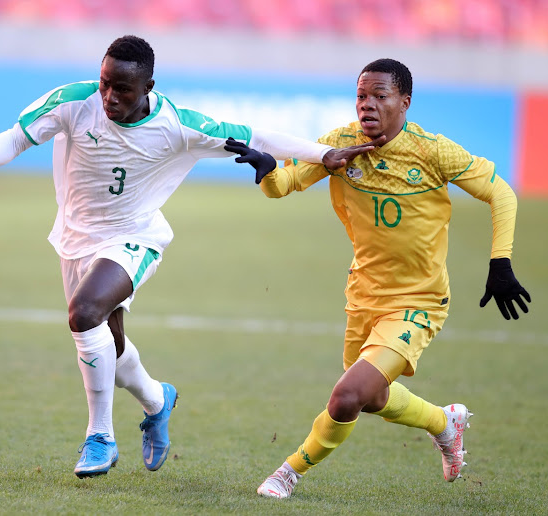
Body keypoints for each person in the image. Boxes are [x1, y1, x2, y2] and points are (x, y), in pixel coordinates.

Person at [0, 35, 379, 479]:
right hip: (74, 238)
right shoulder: (73, 102)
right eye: (105, 83)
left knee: (84, 313)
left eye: (123, 89)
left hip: (135, 237)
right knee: (107, 347)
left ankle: (100, 437)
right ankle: (156, 400)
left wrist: (324, 154)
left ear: (148, 85)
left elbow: (256, 135)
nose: (109, 96)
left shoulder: (179, 125)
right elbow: (15, 138)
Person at [224, 58, 531, 498]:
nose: (367, 106)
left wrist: (500, 262)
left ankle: (287, 473)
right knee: (370, 397)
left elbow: (500, 192)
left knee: (347, 396)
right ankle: (445, 423)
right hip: (363, 295)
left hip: (419, 301)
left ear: (403, 102)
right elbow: (284, 184)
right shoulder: (340, 144)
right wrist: (268, 169)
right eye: (361, 96)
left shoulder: (432, 150)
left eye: (379, 96)